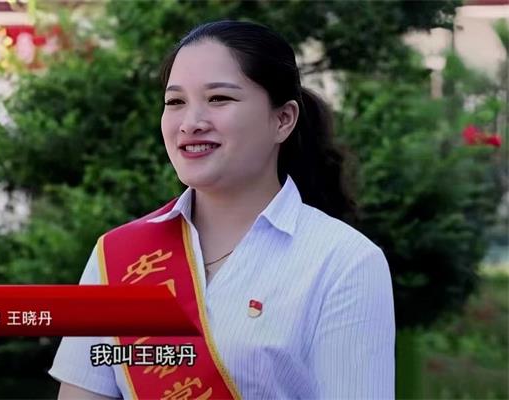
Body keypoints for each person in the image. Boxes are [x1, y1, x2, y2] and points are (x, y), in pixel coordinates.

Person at [49, 20, 395, 399]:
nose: (190, 123)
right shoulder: (118, 256)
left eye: (218, 99)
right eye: (175, 102)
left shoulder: (343, 262)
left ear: (283, 120)